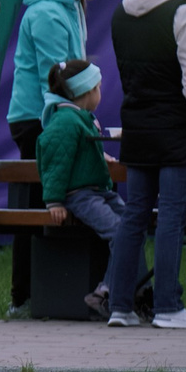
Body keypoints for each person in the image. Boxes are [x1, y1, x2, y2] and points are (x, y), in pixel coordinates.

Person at [103, 0, 186, 329]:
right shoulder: (181, 15)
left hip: (136, 125)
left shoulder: (121, 11)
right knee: (171, 215)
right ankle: (168, 306)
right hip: (177, 129)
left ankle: (120, 306)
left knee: (134, 214)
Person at [6, 0, 113, 311]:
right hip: (40, 117)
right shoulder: (48, 13)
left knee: (52, 200)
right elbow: (56, 80)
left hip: (58, 113)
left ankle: (58, 292)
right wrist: (76, 119)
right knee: (37, 205)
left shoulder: (71, 2)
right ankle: (24, 297)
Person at [38, 58, 121, 320]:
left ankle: (128, 290)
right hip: (80, 195)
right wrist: (54, 201)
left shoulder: (80, 118)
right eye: (97, 87)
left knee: (133, 224)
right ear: (85, 92)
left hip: (96, 191)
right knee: (121, 232)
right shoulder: (65, 121)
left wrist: (101, 157)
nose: (100, 93)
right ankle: (107, 292)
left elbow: (78, 152)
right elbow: (55, 160)